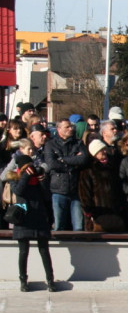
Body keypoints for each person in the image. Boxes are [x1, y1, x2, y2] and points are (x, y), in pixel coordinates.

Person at [8, 155, 57, 292]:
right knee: (23, 252)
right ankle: (23, 281)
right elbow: (18, 191)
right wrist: (25, 176)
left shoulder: (37, 180)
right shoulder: (15, 178)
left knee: (44, 251)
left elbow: (47, 196)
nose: (30, 169)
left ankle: (50, 280)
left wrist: (42, 180)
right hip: (23, 219)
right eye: (27, 167)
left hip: (39, 218)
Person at [45, 118, 89, 231]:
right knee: (59, 224)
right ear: (59, 129)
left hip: (75, 189)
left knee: (78, 226)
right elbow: (52, 164)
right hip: (58, 189)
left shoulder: (78, 143)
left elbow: (83, 160)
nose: (71, 129)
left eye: (71, 127)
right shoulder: (51, 144)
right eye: (67, 127)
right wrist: (73, 163)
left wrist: (62, 160)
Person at [79, 140, 127, 232]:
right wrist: (89, 213)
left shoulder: (113, 166)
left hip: (114, 212)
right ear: (95, 153)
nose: (104, 152)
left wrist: (120, 207)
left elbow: (118, 188)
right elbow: (84, 194)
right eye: (101, 150)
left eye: (104, 149)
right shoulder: (88, 169)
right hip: (97, 213)